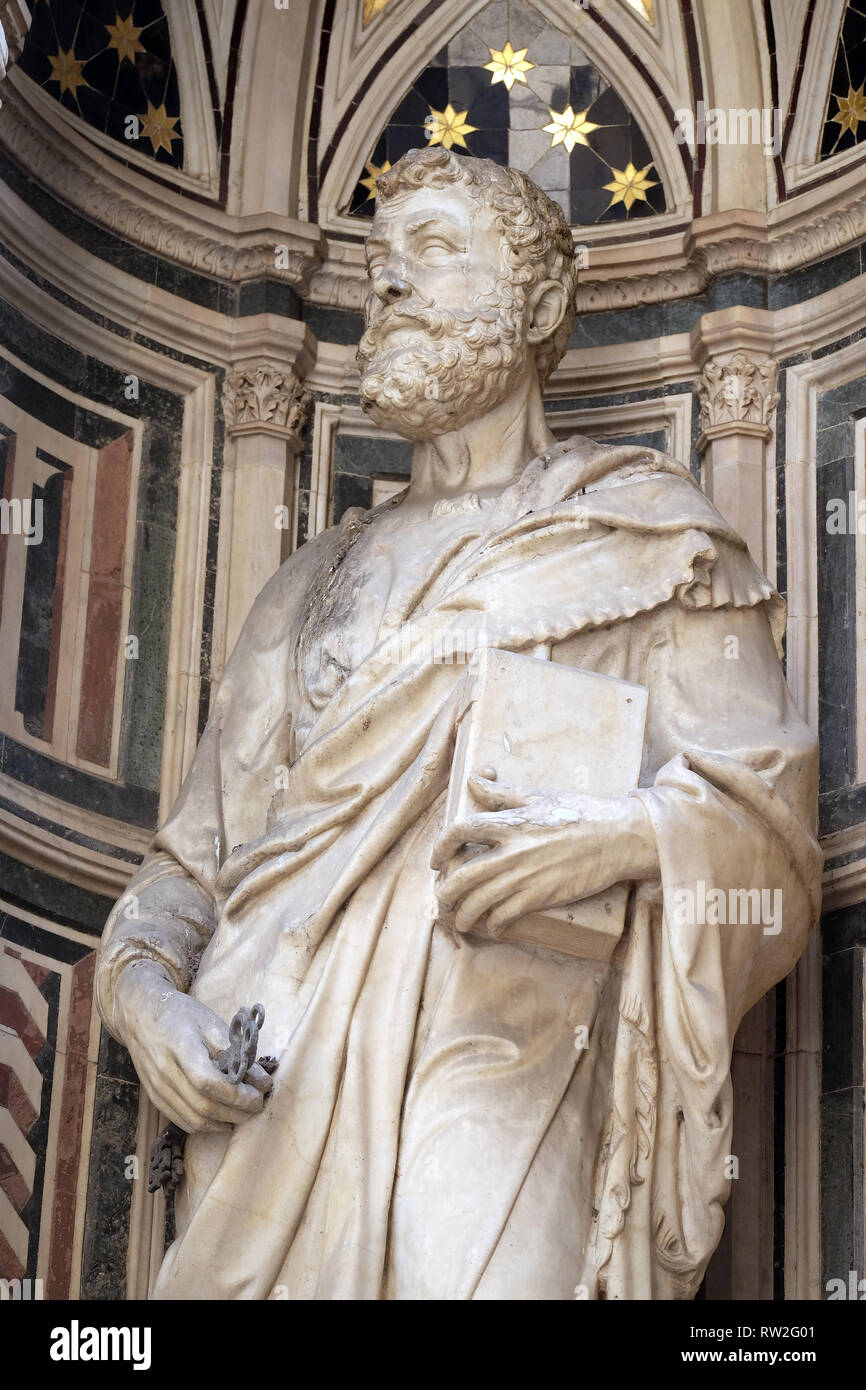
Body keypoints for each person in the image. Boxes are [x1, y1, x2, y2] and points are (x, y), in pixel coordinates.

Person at [96, 146, 821, 1300]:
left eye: (431, 251)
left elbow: (771, 827)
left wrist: (629, 839)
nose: (385, 284)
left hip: (512, 1064)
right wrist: (145, 1000)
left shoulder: (644, 536)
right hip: (270, 1078)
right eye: (378, 262)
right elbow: (188, 868)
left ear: (535, 302)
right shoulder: (307, 584)